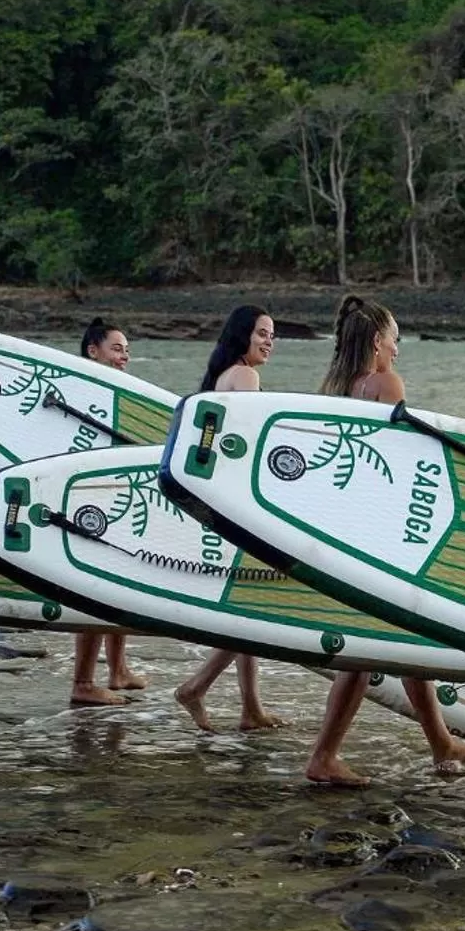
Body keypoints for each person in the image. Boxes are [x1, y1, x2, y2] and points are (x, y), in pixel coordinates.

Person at [302, 295, 465, 786]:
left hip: (343, 527)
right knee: (367, 652)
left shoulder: (333, 389)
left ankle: (441, 744)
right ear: (375, 342)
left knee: (404, 640)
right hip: (378, 531)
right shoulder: (383, 384)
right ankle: (324, 757)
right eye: (394, 340)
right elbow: (403, 462)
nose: (398, 351)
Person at [174, 305, 283, 732]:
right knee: (252, 610)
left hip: (222, 505)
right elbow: (251, 444)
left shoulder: (220, 378)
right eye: (261, 333)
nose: (269, 341)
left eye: (272, 334)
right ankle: (196, 687)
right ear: (242, 336)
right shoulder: (245, 377)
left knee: (245, 606)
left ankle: (250, 708)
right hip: (243, 507)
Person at [69, 318, 148, 707]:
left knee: (119, 582)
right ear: (92, 351)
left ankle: (118, 669)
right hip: (85, 500)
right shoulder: (80, 392)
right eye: (117, 348)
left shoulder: (114, 393)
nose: (124, 356)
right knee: (95, 589)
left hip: (107, 496)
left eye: (127, 350)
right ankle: (83, 682)